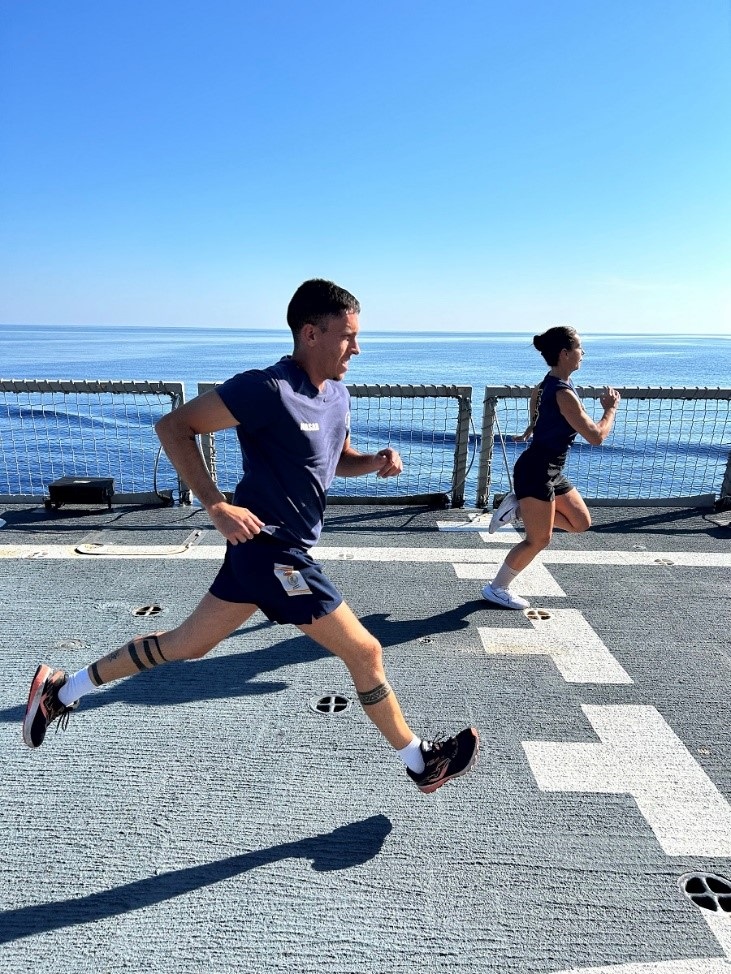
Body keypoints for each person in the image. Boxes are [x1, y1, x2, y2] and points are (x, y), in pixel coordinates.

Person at [23, 279, 479, 795]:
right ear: (310, 333)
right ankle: (422, 762)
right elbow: (174, 427)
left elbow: (333, 460)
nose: (357, 347)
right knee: (366, 652)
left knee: (185, 645)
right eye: (347, 336)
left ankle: (61, 690)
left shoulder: (338, 396)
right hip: (273, 554)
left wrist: (372, 462)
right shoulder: (266, 389)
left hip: (265, 555)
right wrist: (215, 505)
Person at [482, 326, 621, 610]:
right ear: (565, 353)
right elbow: (595, 436)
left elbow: (537, 415)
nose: (583, 353)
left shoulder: (545, 385)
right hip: (536, 471)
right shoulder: (562, 393)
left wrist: (527, 432)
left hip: (551, 470)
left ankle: (521, 510)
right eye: (580, 348)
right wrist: (610, 409)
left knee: (581, 523)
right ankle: (497, 588)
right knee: (538, 540)